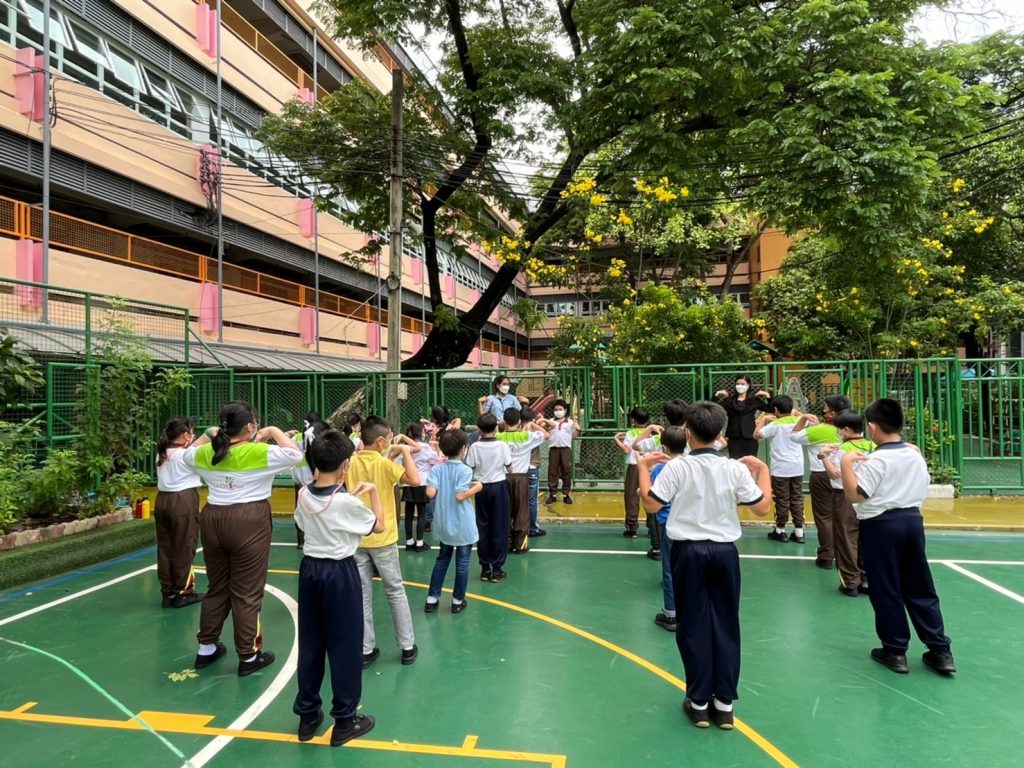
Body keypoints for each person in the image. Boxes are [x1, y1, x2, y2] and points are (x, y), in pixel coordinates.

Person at [639, 401, 772, 730]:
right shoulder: (734, 469)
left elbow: (652, 505)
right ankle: (724, 705)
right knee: (726, 622)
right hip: (725, 552)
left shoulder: (678, 467)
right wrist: (764, 472)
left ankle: (699, 702)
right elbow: (762, 508)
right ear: (721, 433)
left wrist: (643, 466)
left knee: (692, 625)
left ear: (687, 432)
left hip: (688, 551)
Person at [183, 401, 303, 676]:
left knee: (217, 586)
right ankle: (248, 655)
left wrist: (209, 434)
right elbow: (296, 456)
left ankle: (206, 648)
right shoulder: (260, 451)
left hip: (213, 518)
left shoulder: (206, 452)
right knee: (247, 591)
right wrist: (273, 431)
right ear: (250, 426)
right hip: (249, 520)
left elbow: (185, 455)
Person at [840, 399, 955, 676]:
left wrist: (845, 463)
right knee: (920, 585)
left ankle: (895, 650)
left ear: (872, 427)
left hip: (880, 525)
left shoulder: (876, 461)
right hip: (912, 521)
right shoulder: (914, 455)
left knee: (886, 587)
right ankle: (940, 650)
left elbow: (855, 495)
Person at [293, 431, 382, 747]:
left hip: (310, 571)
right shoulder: (346, 502)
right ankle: (345, 720)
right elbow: (379, 526)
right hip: (339, 573)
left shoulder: (303, 494)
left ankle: (307, 717)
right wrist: (373, 493)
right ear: (346, 465)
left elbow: (305, 522)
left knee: (311, 644)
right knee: (345, 646)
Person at [347, 418, 420, 669]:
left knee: (362, 594)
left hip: (358, 537)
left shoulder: (350, 462)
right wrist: (406, 452)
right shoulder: (384, 464)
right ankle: (407, 646)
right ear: (381, 441)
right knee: (395, 590)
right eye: (388, 438)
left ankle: (365, 649)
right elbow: (414, 479)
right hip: (384, 537)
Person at [424, 429, 483, 614]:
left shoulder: (437, 469)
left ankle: (432, 599)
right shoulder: (465, 470)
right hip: (462, 523)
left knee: (442, 560)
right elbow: (460, 496)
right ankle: (457, 600)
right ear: (464, 449)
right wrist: (477, 488)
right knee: (463, 562)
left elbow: (430, 493)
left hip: (444, 522)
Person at [790, 395, 851, 569]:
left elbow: (793, 436)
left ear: (832, 413)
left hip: (822, 475)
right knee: (844, 517)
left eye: (826, 407)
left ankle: (826, 556)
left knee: (824, 517)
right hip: (846, 475)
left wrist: (803, 418)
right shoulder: (852, 430)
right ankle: (846, 555)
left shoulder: (818, 430)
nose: (823, 410)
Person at [154, 418, 208, 609]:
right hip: (183, 501)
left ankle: (167, 593)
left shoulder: (162, 453)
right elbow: (199, 447)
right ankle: (183, 592)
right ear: (186, 435)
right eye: (191, 432)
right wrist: (210, 434)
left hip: (162, 501)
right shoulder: (186, 455)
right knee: (184, 545)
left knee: (165, 547)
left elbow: (194, 447)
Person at [820, 410, 874, 597]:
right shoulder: (873, 446)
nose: (837, 432)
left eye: (839, 429)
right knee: (863, 537)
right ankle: (866, 579)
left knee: (845, 538)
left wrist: (823, 456)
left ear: (846, 429)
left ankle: (850, 582)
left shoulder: (844, 449)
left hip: (844, 495)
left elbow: (835, 474)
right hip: (867, 495)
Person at [643, 425, 688, 633]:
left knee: (669, 568)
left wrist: (643, 470)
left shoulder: (661, 468)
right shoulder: (691, 465)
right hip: (688, 523)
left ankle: (671, 613)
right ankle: (691, 610)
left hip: (667, 523)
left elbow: (648, 495)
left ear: (663, 448)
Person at [466, 413, 513, 582]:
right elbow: (510, 468)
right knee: (499, 526)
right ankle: (497, 569)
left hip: (480, 487)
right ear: (496, 428)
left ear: (479, 429)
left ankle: (485, 568)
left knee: (482, 526)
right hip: (499, 486)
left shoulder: (475, 447)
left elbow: (470, 466)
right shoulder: (502, 445)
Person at [755, 395, 806, 543]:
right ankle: (799, 532)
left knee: (782, 499)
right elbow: (809, 419)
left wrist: (763, 419)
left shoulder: (775, 425)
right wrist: (797, 413)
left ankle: (780, 530)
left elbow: (756, 435)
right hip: (797, 467)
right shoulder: (799, 421)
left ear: (776, 410)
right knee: (797, 498)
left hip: (780, 469)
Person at [497, 409, 548, 553]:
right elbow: (546, 435)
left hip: (503, 477)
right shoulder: (527, 436)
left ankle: (506, 543)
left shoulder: (498, 437)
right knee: (522, 512)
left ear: (504, 421)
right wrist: (532, 424)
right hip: (521, 478)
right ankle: (520, 545)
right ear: (519, 421)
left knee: (504, 511)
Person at [395, 422, 438, 552]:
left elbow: (399, 461)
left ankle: (409, 541)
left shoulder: (404, 447)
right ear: (420, 433)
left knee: (408, 514)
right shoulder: (425, 446)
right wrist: (434, 448)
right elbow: (435, 458)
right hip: (422, 482)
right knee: (421, 513)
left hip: (408, 482)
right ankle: (419, 542)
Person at [292, 411, 331, 549]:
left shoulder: (297, 437)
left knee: (299, 508)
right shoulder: (321, 436)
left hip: (299, 478)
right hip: (315, 478)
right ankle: (317, 537)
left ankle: (301, 540)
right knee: (318, 508)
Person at [613, 407, 652, 539]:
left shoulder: (631, 433)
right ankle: (652, 526)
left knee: (631, 496)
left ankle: (632, 527)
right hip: (649, 466)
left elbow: (627, 450)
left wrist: (617, 439)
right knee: (650, 495)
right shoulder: (652, 433)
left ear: (633, 420)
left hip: (635, 465)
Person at [714, 377, 772, 459]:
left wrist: (767, 396)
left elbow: (770, 409)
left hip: (750, 436)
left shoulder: (754, 401)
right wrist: (716, 395)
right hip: (734, 436)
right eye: (738, 384)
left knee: (751, 461)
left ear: (748, 385)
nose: (740, 386)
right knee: (735, 460)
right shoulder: (729, 401)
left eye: (742, 384)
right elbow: (713, 408)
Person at [543, 398, 579, 506]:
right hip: (553, 448)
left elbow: (574, 436)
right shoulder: (551, 421)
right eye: (556, 409)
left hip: (565, 449)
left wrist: (577, 429)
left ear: (565, 410)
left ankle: (566, 494)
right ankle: (552, 494)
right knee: (552, 471)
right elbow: (545, 432)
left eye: (560, 409)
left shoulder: (570, 422)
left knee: (566, 471)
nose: (558, 411)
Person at [519, 407, 547, 538]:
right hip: (532, 467)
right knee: (532, 500)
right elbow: (546, 435)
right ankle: (533, 528)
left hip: (519, 469)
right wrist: (535, 424)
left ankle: (518, 526)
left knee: (519, 499)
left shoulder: (516, 433)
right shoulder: (533, 434)